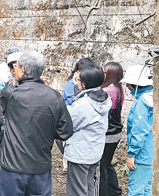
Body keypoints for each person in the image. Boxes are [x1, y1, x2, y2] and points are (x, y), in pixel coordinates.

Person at [0, 51, 73, 196]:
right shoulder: (54, 96)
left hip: (13, 167)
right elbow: (66, 131)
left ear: (23, 70)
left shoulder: (11, 94)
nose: (14, 70)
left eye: (16, 67)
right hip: (40, 167)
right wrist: (47, 131)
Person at [64, 65, 111, 196]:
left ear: (84, 84)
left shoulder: (84, 104)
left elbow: (69, 124)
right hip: (94, 151)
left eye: (78, 80)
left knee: (77, 190)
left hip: (80, 153)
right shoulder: (103, 97)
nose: (76, 82)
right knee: (89, 186)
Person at [120, 65, 153, 196]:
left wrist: (132, 154)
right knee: (146, 189)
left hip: (141, 155)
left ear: (135, 85)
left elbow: (139, 131)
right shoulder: (152, 98)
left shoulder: (141, 103)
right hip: (150, 153)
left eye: (128, 85)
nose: (127, 88)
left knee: (136, 190)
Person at [99, 62, 124, 196]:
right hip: (116, 132)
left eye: (104, 72)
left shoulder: (107, 91)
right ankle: (115, 191)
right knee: (107, 164)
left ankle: (104, 192)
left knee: (102, 167)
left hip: (107, 135)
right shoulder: (119, 88)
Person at [0, 51, 22, 154]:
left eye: (15, 66)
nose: (13, 71)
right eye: (11, 67)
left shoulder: (29, 88)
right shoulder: (7, 86)